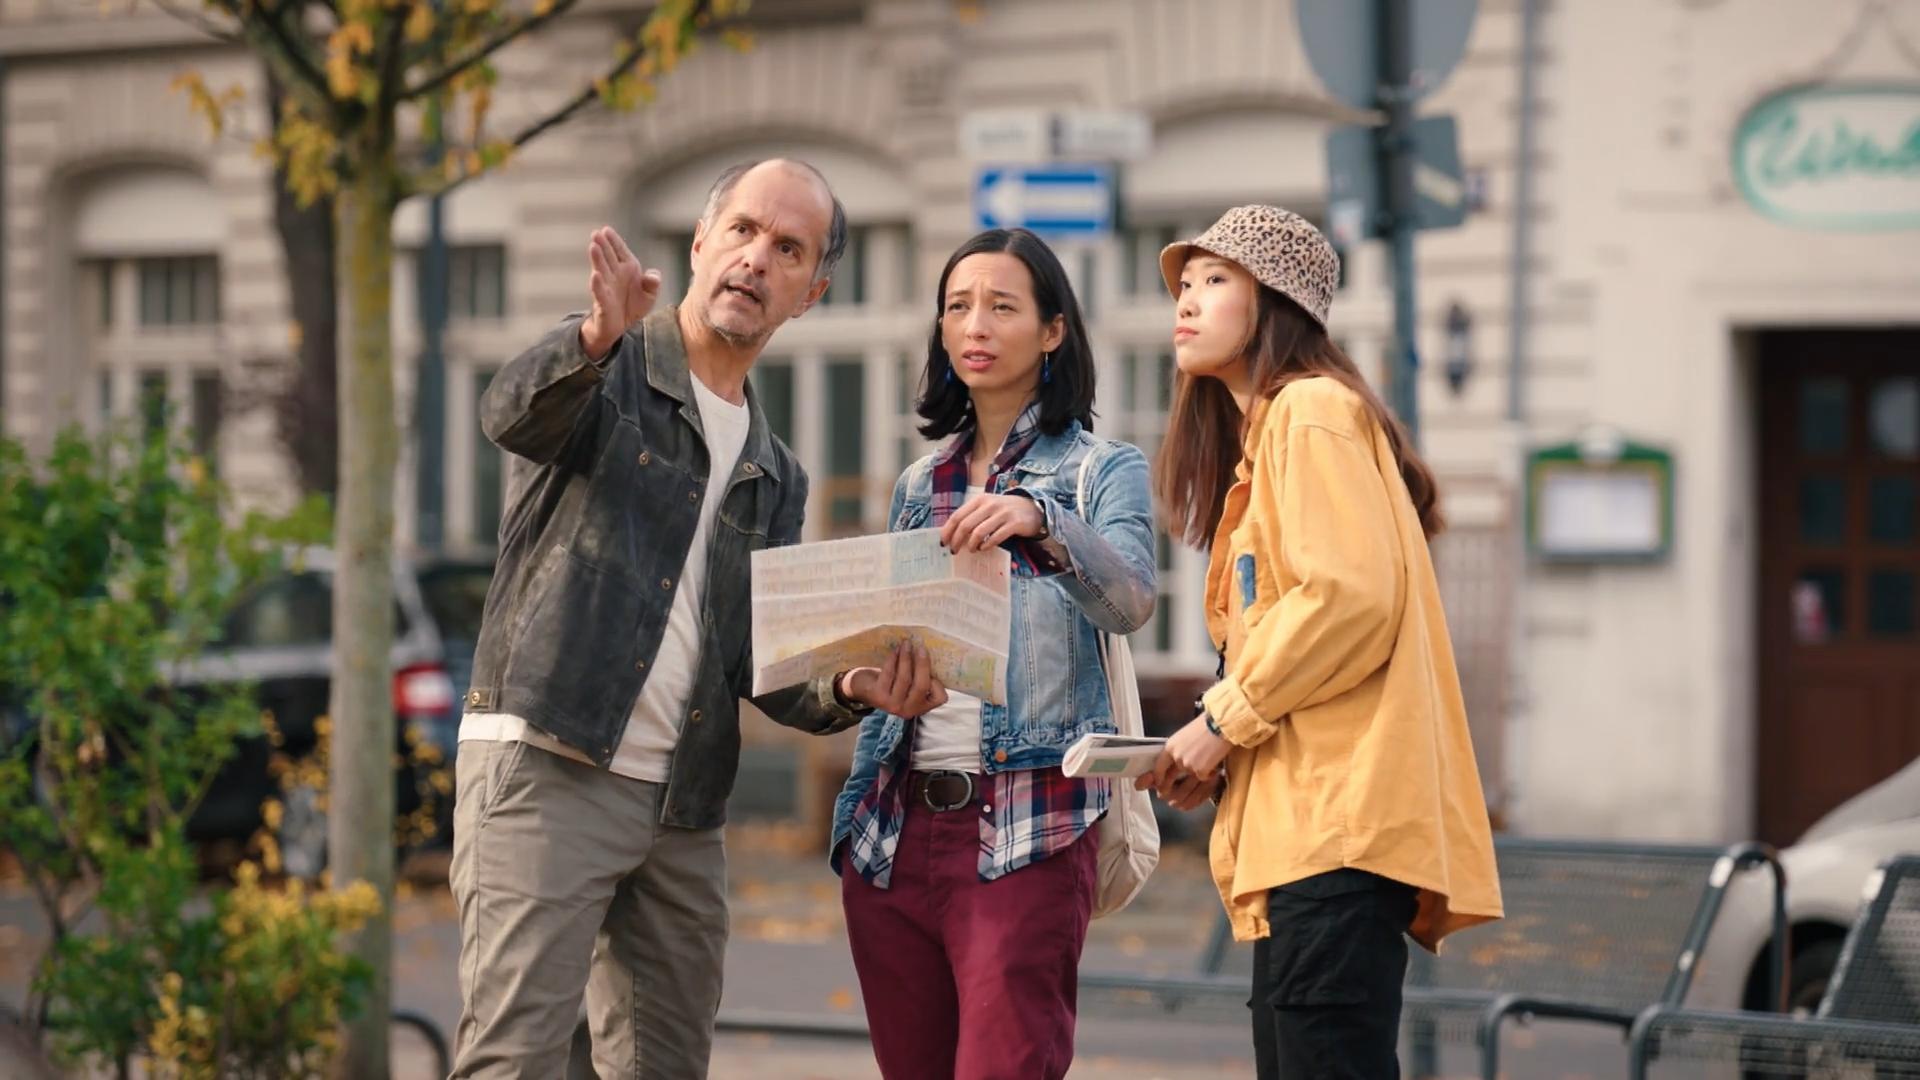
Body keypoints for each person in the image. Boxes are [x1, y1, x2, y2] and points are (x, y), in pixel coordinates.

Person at [450, 159, 939, 1079]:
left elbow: (763, 656)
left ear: (811, 293)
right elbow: (508, 413)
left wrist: (849, 685)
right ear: (702, 243)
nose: (757, 259)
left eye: (787, 249)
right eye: (745, 231)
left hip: (682, 809)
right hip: (549, 764)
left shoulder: (774, 467)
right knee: (514, 1064)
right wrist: (595, 335)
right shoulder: (610, 363)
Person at [1143, 205, 1504, 1079]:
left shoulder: (1309, 412)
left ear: (1275, 303)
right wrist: (1219, 751)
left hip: (1336, 835)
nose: (1185, 303)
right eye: (1184, 285)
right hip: (1307, 833)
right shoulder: (1270, 436)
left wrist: (1222, 719)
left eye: (1215, 282)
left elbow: (1348, 600)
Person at [829, 227, 1158, 1080]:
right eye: (958, 306)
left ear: (1053, 331)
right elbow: (898, 636)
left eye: (1002, 306)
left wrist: (1043, 524)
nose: (975, 323)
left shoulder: (1099, 470)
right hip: (893, 834)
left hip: (1029, 827)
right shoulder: (918, 485)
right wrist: (870, 681)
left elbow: (1131, 603)